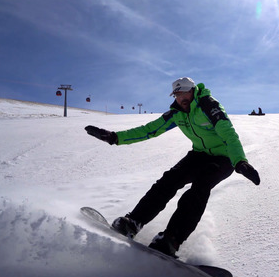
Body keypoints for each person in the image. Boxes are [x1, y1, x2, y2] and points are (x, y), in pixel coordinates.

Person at [85, 77, 260, 257]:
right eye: (176, 94)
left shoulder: (208, 105)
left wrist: (240, 161)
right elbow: (150, 130)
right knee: (168, 180)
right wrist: (116, 137)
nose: (180, 98)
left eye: (183, 92)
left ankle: (171, 239)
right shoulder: (177, 112)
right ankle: (133, 222)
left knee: (199, 188)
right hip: (199, 154)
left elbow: (228, 133)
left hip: (224, 157)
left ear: (193, 91)